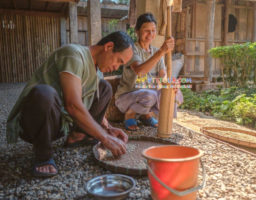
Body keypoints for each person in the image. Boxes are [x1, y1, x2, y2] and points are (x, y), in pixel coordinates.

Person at [6, 31, 133, 177]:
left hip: (61, 125)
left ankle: (77, 136)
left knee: (104, 88)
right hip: (35, 123)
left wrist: (108, 128)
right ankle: (43, 156)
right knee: (44, 93)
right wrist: (104, 137)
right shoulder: (73, 54)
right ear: (108, 47)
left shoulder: (97, 71)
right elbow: (72, 105)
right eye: (119, 60)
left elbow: (88, 100)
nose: (117, 67)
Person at [115, 13, 183, 131]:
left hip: (148, 96)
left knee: (176, 94)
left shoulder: (156, 52)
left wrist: (171, 85)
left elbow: (163, 77)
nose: (150, 34)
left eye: (153, 30)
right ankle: (130, 114)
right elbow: (140, 71)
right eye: (146, 30)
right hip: (127, 97)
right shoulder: (131, 49)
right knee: (150, 95)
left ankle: (148, 115)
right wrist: (162, 51)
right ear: (137, 31)